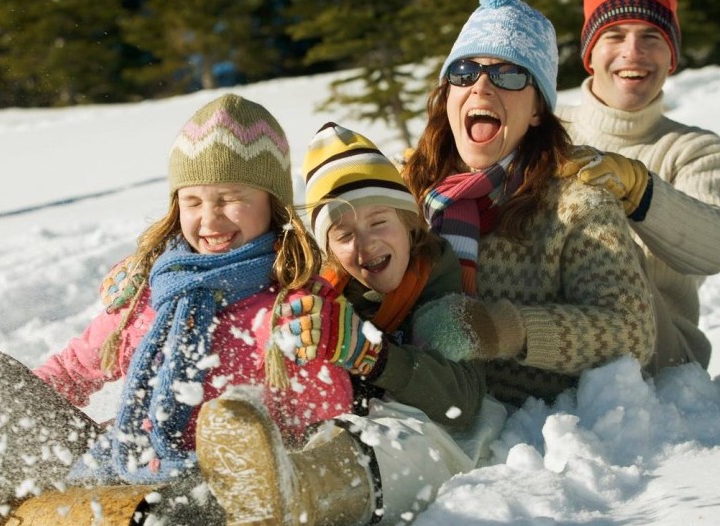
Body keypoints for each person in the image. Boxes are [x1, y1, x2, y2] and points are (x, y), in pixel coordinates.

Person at [0, 94, 354, 525]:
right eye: (193, 201)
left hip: (201, 492)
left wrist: (313, 348)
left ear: (272, 202)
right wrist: (6, 420)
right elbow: (72, 370)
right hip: (117, 459)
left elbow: (325, 417)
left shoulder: (293, 304)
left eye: (230, 198)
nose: (209, 217)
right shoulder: (152, 290)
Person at [194, 123, 507, 525]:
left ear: (410, 225)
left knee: (404, 440)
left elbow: (458, 404)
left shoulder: (438, 285)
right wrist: (152, 273)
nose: (366, 244)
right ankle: (186, 503)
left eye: (379, 222)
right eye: (344, 235)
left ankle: (301, 493)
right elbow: (236, 273)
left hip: (431, 431)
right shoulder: (326, 289)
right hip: (343, 424)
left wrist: (369, 354)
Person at [400, 0, 657, 407]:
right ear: (448, 93)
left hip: (527, 436)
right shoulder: (406, 193)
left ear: (538, 108)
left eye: (509, 75)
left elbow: (632, 333)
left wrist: (503, 330)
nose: (481, 87)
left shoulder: (576, 206)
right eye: (464, 72)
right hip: (413, 401)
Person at [555, 0, 720, 372]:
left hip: (659, 355)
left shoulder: (695, 151)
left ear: (671, 57)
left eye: (651, 36)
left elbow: (716, 247)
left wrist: (640, 191)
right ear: (589, 53)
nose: (633, 52)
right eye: (615, 35)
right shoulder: (546, 131)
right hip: (549, 333)